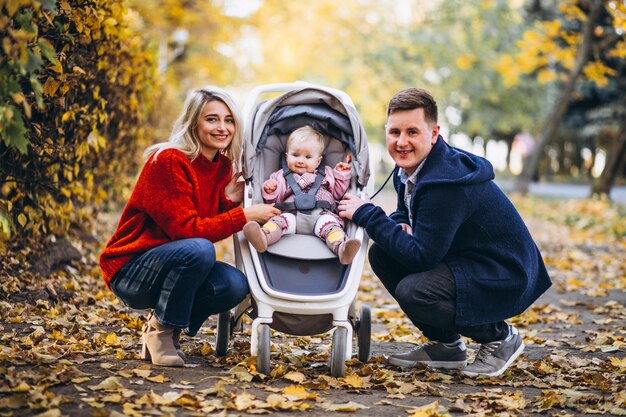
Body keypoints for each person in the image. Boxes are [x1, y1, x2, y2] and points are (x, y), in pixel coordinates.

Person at [337, 88, 551, 377]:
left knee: (416, 292)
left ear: (434, 133)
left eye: (412, 132)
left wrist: (367, 213)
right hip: (464, 256)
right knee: (383, 253)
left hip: (504, 268)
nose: (401, 142)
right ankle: (446, 345)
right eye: (394, 132)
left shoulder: (444, 183)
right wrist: (399, 221)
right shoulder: (411, 168)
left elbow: (422, 258)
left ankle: (499, 338)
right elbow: (406, 209)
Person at [99, 86, 281, 367]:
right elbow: (188, 230)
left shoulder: (221, 167)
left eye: (229, 120)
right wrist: (243, 215)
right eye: (212, 119)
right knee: (199, 249)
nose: (222, 127)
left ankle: (163, 326)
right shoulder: (169, 161)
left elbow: (200, 218)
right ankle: (162, 333)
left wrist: (227, 201)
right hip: (131, 268)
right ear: (193, 121)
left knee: (233, 285)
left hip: (172, 260)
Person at [243, 125, 361, 265]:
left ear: (318, 161)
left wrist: (341, 175)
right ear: (286, 156)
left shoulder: (328, 173)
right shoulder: (280, 176)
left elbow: (338, 194)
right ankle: (263, 238)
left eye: (308, 157)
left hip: (322, 215)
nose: (300, 160)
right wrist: (270, 190)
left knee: (332, 228)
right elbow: (273, 201)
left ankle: (341, 248)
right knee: (277, 222)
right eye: (295, 155)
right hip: (291, 215)